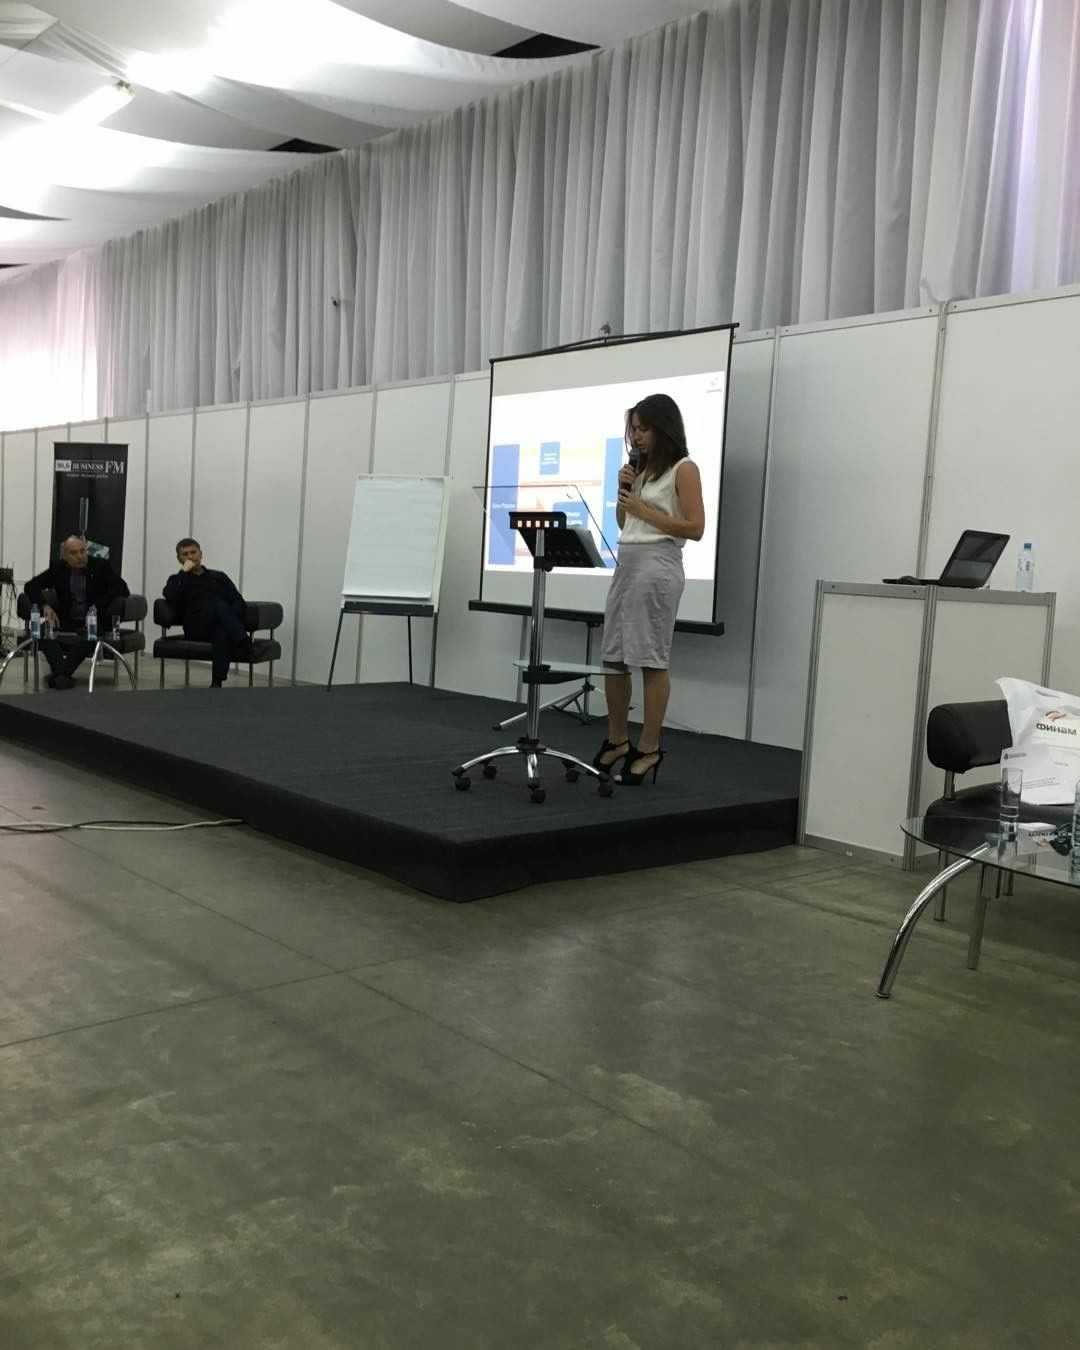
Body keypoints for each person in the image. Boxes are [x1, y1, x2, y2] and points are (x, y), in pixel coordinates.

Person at [594, 394, 705, 786]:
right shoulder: (637, 470)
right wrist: (624, 491)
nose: (637, 437)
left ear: (663, 428)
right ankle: (617, 739)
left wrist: (646, 512)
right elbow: (625, 522)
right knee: (613, 657)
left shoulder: (683, 469)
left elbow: (696, 528)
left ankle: (649, 747)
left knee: (651, 659)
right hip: (627, 562)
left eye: (643, 429)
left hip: (658, 565)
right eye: (634, 430)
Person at [26, 535, 130, 689]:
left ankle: (60, 675)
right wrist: (45, 606)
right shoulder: (59, 568)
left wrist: (97, 606)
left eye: (82, 551)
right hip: (66, 620)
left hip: (94, 621)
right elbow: (31, 585)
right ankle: (63, 675)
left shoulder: (100, 566)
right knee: (42, 630)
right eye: (74, 553)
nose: (80, 556)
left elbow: (122, 588)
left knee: (91, 635)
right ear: (65, 556)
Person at [164, 538, 249, 688]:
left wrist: (229, 619)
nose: (190, 557)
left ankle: (216, 683)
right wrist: (183, 573)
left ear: (201, 554)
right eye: (185, 554)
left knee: (222, 629)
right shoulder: (177, 580)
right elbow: (170, 596)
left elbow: (238, 601)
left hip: (218, 624)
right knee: (218, 604)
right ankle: (242, 640)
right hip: (195, 627)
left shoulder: (219, 577)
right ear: (179, 559)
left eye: (193, 552)